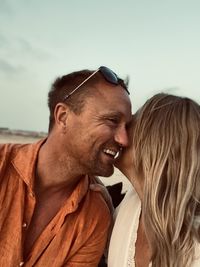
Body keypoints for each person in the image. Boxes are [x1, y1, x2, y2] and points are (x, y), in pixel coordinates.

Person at [0, 66, 132, 266]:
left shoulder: (95, 215)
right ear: (63, 116)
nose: (124, 140)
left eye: (127, 127)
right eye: (112, 120)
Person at [108, 93, 200, 267]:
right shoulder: (127, 206)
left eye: (130, 124)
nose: (119, 135)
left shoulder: (196, 245)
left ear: (154, 142)